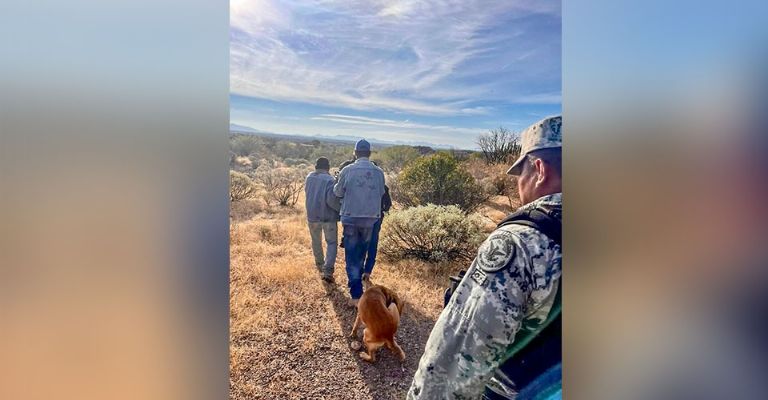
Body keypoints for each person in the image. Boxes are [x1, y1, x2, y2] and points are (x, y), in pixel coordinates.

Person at [407, 116, 563, 399]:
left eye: (521, 174)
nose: (519, 185)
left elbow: (453, 364)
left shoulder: (521, 243)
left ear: (539, 170)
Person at [333, 139, 386, 306]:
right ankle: (360, 282)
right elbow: (381, 192)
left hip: (350, 217)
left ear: (355, 153)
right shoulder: (378, 172)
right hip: (370, 219)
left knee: (351, 255)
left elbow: (337, 192)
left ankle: (356, 295)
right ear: (369, 154)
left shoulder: (348, 170)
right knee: (362, 252)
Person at [337, 158, 392, 279]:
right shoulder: (382, 186)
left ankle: (357, 272)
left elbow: (340, 193)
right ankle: (367, 271)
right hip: (376, 218)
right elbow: (388, 205)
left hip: (359, 216)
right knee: (372, 244)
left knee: (357, 244)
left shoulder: (355, 179)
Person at [304, 157, 341, 283]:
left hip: (312, 215)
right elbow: (331, 200)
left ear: (315, 166)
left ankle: (319, 264)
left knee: (316, 241)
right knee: (331, 243)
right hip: (328, 217)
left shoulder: (309, 177)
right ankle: (327, 270)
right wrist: (340, 210)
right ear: (328, 167)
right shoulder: (330, 180)